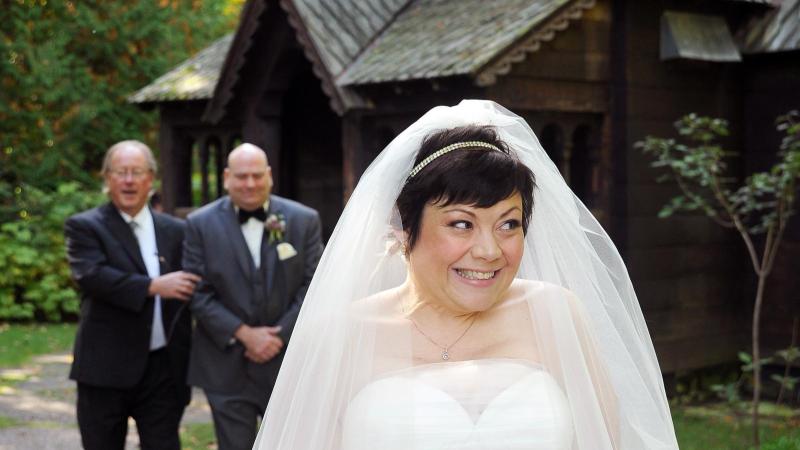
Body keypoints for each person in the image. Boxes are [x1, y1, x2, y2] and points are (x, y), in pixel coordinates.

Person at [253, 100, 680, 449]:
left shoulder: (557, 314)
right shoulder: (342, 334)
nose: (490, 250)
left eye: (509, 224)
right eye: (462, 223)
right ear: (404, 230)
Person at [183, 143, 324, 450]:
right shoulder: (199, 224)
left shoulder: (303, 220)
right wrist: (244, 334)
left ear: (269, 176)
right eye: (241, 176)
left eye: (257, 176)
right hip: (226, 366)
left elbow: (316, 285)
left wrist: (279, 335)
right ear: (226, 178)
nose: (249, 184)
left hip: (289, 362)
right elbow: (197, 290)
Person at [64, 140, 200, 450]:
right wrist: (153, 286)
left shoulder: (176, 230)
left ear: (151, 179)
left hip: (163, 370)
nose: (128, 180)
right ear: (106, 178)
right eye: (120, 172)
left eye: (136, 172)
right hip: (105, 369)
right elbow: (91, 276)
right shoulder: (85, 226)